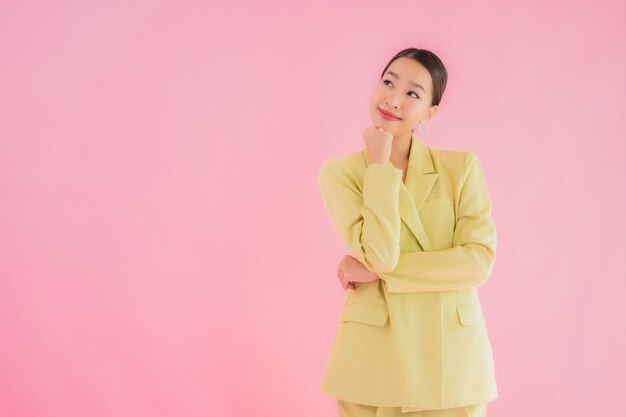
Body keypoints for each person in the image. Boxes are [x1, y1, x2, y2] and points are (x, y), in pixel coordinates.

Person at [317, 48, 498, 417]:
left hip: (450, 361)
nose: (394, 99)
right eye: (388, 82)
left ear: (431, 111)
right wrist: (379, 166)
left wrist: (378, 273)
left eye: (413, 94)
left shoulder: (460, 168)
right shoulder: (340, 174)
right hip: (373, 359)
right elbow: (381, 253)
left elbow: (478, 261)